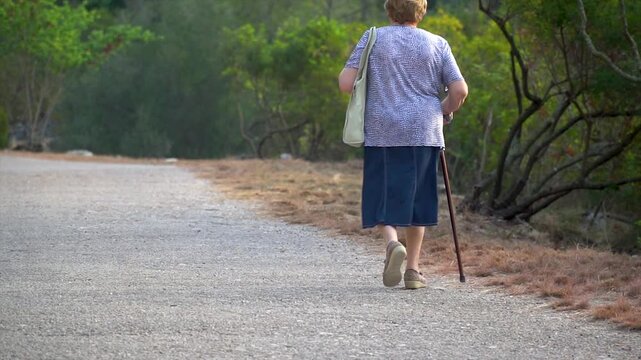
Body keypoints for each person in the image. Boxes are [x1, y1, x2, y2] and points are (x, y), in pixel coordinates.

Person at [338, 0, 468, 289]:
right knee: (418, 195)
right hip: (424, 130)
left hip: (383, 128)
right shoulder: (438, 43)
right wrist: (444, 109)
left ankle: (392, 243)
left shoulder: (373, 37)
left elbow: (346, 83)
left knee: (382, 191)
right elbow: (459, 90)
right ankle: (413, 271)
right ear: (421, 12)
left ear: (389, 10)